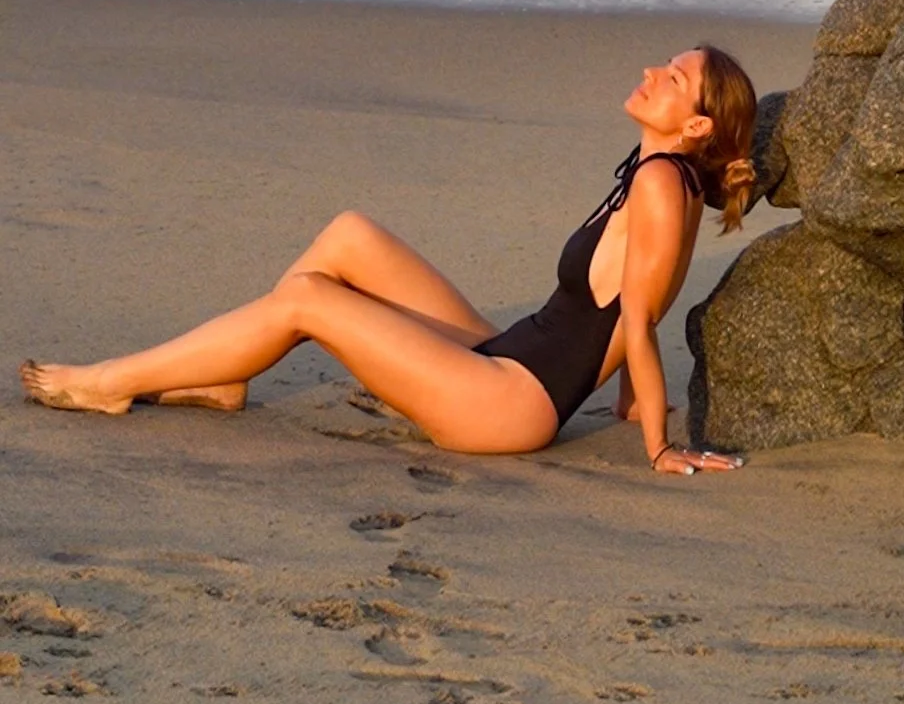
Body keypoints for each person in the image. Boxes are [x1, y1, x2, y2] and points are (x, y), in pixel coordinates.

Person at [21, 44, 757, 478]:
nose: (651, 70)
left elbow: (636, 315)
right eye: (664, 62)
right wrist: (631, 401)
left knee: (307, 299)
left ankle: (110, 383)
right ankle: (222, 380)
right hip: (505, 355)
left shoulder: (662, 185)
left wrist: (658, 445)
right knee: (350, 236)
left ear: (695, 125)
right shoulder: (655, 167)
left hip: (504, 406)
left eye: (673, 77)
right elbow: (638, 293)